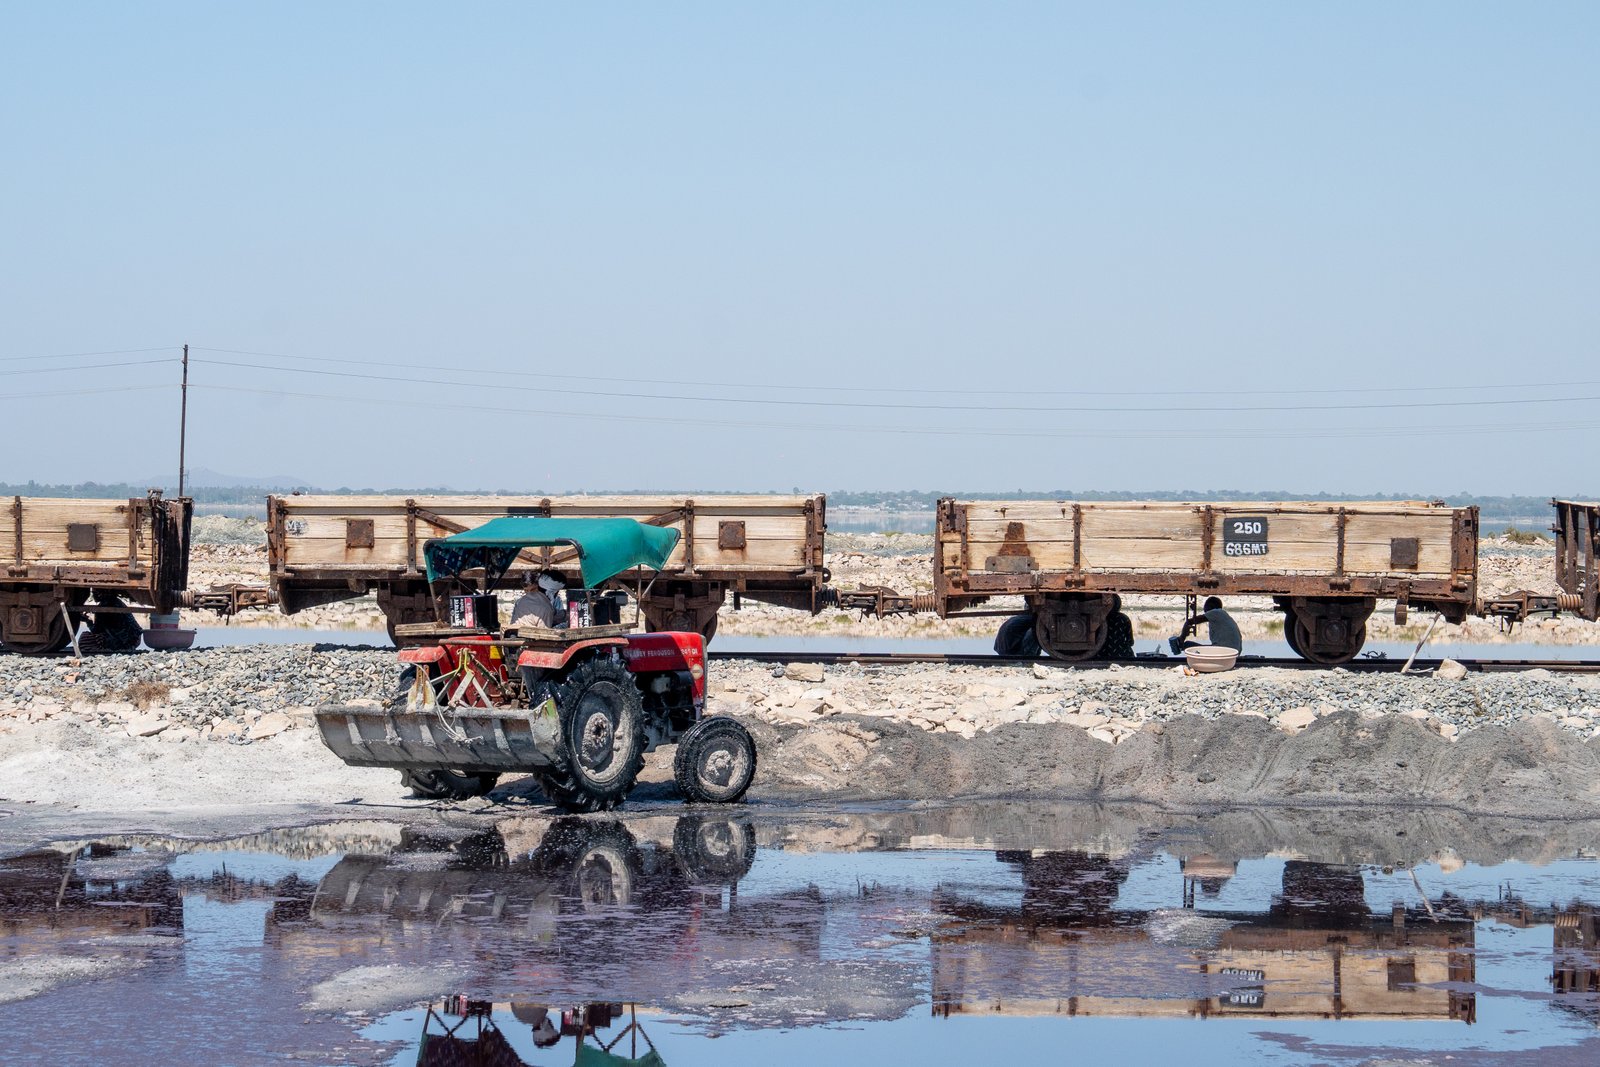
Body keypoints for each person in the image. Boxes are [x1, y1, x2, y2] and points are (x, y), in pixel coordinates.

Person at [1172, 596, 1242, 653]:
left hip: (1224, 651)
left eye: (1205, 607)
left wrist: (1182, 638)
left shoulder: (1216, 612)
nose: (1204, 610)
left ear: (1210, 606)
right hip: (1234, 652)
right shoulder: (1222, 615)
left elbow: (1191, 621)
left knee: (1187, 645)